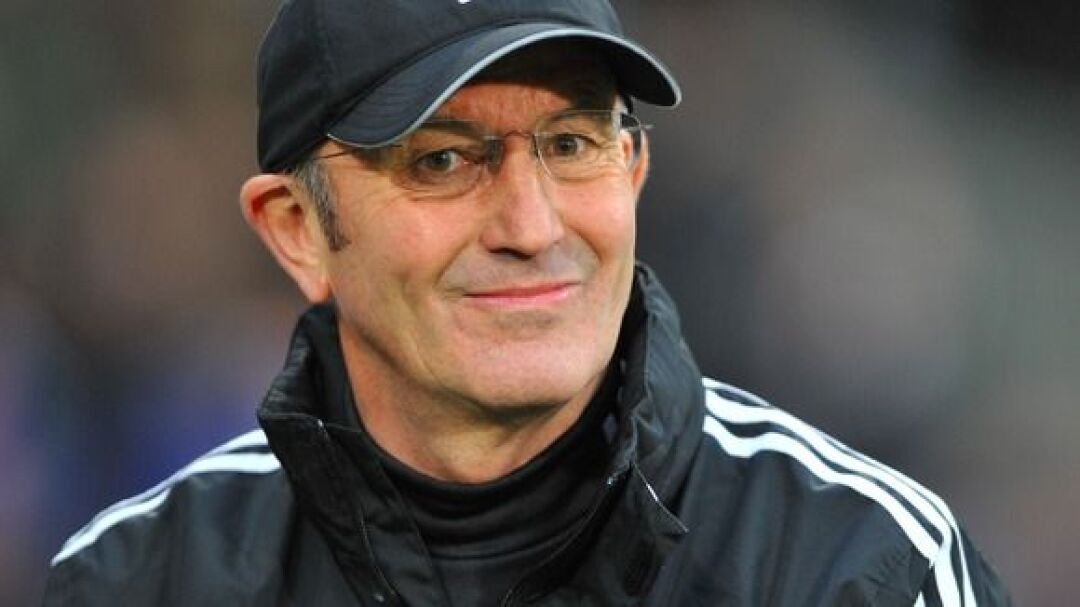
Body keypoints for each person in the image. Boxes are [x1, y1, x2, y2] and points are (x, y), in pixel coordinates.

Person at [44, 1, 1010, 605]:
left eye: (571, 145)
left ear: (633, 171)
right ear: (298, 228)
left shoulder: (861, 564)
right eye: (442, 160)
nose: (531, 224)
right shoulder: (140, 576)